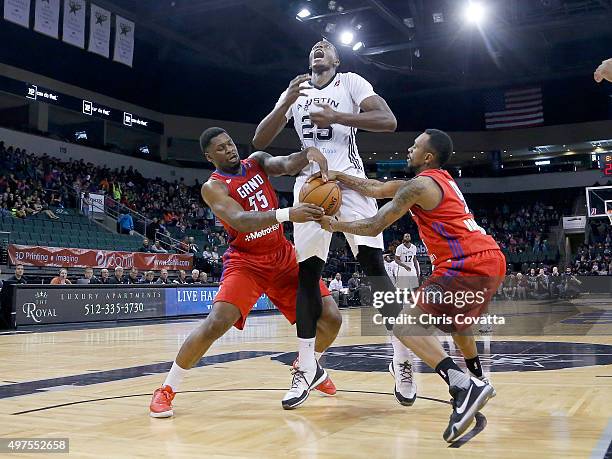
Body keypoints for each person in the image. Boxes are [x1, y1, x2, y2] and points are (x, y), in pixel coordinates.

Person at [253, 40, 415, 407]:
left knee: (375, 270)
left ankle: (402, 359)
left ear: (337, 60)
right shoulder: (297, 89)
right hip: (310, 187)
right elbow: (260, 139)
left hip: (350, 182)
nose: (319, 48)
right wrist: (285, 102)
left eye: (326, 47)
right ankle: (306, 366)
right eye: (314, 46)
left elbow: (388, 121)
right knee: (308, 275)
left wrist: (339, 117)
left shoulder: (352, 83)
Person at [319, 129, 505, 442]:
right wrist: (339, 175)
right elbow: (376, 188)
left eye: (415, 146)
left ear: (428, 156)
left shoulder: (418, 185)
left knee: (405, 326)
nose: (409, 148)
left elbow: (375, 223)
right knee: (458, 325)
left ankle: (464, 386)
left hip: (464, 263)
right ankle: (476, 377)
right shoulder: (438, 180)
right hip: (490, 259)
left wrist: (335, 225)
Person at [150, 127, 342, 418]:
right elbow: (239, 220)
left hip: (282, 254)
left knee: (331, 318)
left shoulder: (257, 162)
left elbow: (286, 164)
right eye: (221, 148)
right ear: (209, 156)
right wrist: (288, 213)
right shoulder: (214, 187)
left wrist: (308, 153)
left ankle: (306, 368)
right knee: (217, 322)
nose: (229, 149)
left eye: (229, 143)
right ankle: (166, 389)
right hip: (247, 262)